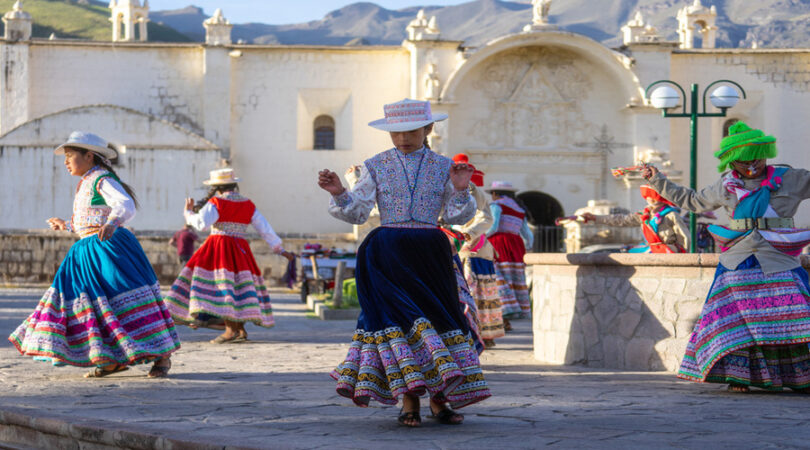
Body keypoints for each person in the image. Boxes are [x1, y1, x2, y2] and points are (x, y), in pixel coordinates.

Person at [318, 99, 491, 428]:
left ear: (428, 129)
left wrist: (459, 189)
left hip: (430, 251)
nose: (402, 139)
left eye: (410, 131)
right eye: (395, 132)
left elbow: (457, 217)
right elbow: (357, 212)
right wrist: (340, 192)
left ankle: (440, 399)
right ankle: (409, 397)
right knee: (398, 320)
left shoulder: (445, 166)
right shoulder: (375, 164)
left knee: (440, 318)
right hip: (386, 253)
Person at [642, 121, 810, 393]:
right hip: (739, 258)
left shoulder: (792, 178)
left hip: (779, 256)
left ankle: (800, 378)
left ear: (765, 153)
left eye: (755, 158)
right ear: (732, 162)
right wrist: (656, 179)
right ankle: (738, 377)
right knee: (733, 318)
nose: (750, 165)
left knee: (796, 314)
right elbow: (693, 201)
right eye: (743, 161)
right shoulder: (726, 186)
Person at [8, 131, 179, 378]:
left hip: (109, 247)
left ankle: (161, 354)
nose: (66, 162)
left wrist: (112, 222)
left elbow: (125, 204)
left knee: (125, 297)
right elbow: (89, 220)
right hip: (87, 250)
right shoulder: (87, 181)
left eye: (69, 156)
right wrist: (66, 225)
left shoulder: (101, 179)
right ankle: (111, 359)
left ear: (89, 156)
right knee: (94, 303)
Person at [164, 168, 295, 344]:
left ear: (217, 187)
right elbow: (265, 229)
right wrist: (280, 249)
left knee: (222, 287)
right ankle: (240, 330)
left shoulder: (217, 202)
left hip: (218, 248)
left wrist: (188, 214)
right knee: (238, 287)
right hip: (240, 249)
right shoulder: (248, 204)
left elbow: (202, 224)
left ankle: (230, 330)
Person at [452, 154, 505, 348]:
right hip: (451, 248)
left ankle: (483, 333)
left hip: (474, 250)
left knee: (480, 293)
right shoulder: (443, 186)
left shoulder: (473, 190)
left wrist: (468, 234)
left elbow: (486, 218)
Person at [581, 185, 689, 253]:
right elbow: (621, 220)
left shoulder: (671, 215)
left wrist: (684, 256)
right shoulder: (644, 215)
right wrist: (595, 218)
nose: (648, 198)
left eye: (651, 196)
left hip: (669, 250)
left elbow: (684, 237)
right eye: (647, 196)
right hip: (651, 249)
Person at [485, 181, 533, 321]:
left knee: (498, 273)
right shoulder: (520, 209)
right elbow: (528, 235)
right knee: (515, 275)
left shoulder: (497, 205)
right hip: (516, 244)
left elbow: (493, 227)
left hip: (499, 242)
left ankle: (507, 308)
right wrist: (528, 247)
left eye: (492, 194)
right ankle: (521, 309)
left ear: (496, 194)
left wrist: (479, 238)